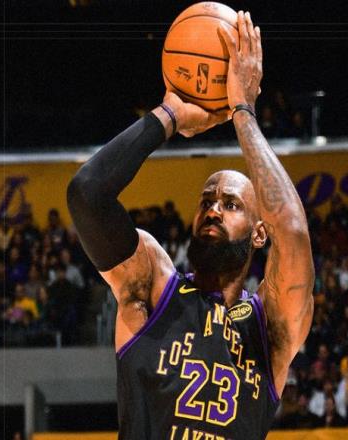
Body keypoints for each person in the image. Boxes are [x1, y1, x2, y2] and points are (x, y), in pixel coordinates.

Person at [67, 11, 314, 439]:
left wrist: (242, 112)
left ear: (260, 232)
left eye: (231, 204)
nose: (213, 209)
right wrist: (170, 115)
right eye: (207, 201)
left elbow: (291, 230)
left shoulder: (271, 324)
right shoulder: (154, 285)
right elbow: (87, 194)